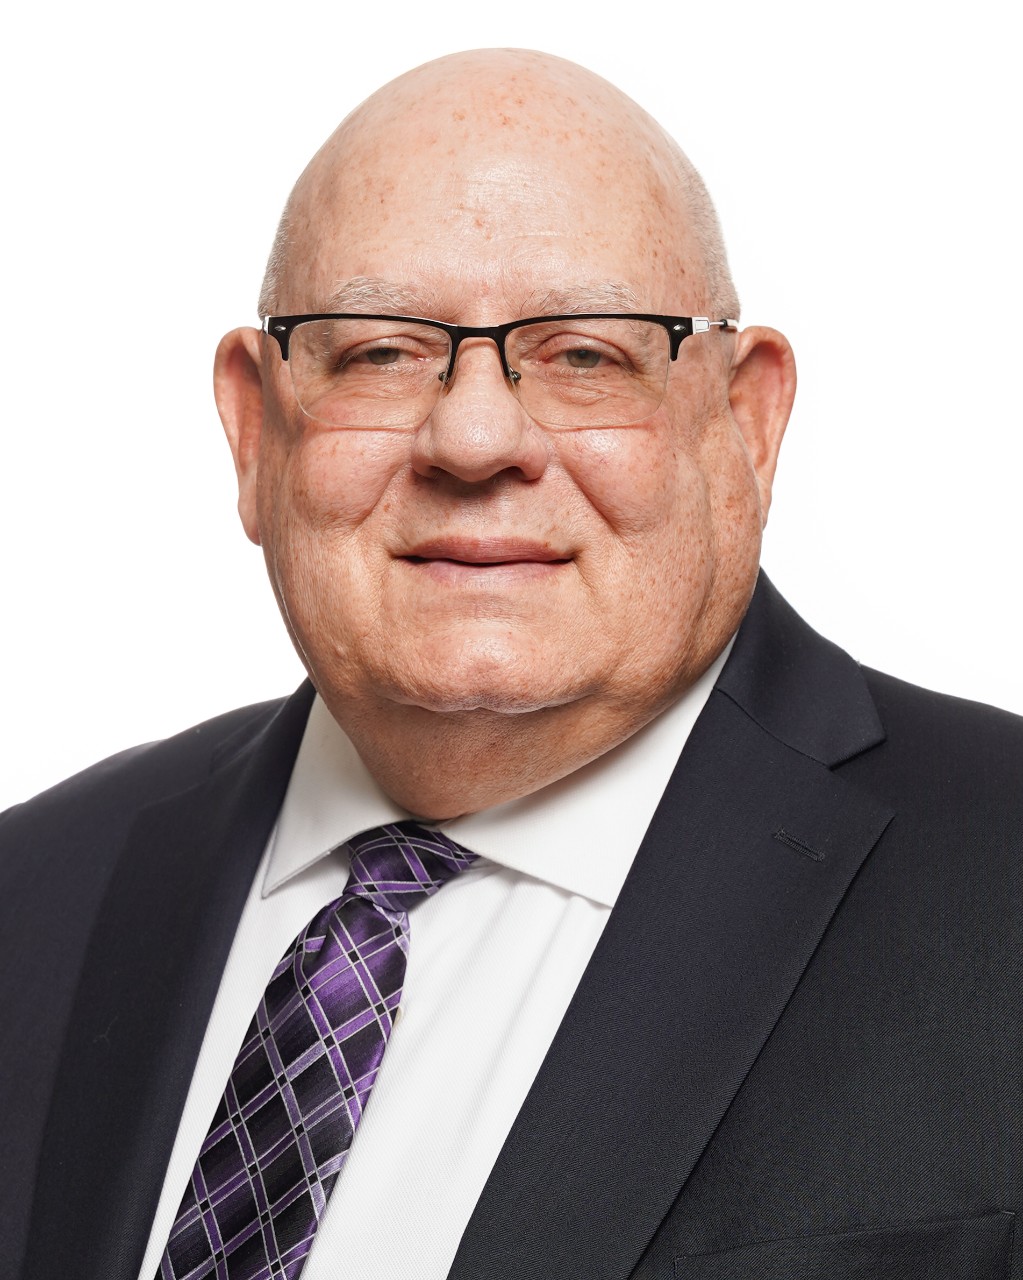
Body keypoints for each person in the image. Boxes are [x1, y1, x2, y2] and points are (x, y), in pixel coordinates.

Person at [2, 46, 1021, 1280]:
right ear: (255, 428)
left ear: (745, 425)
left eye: (586, 353)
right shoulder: (30, 895)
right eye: (378, 351)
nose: (475, 436)